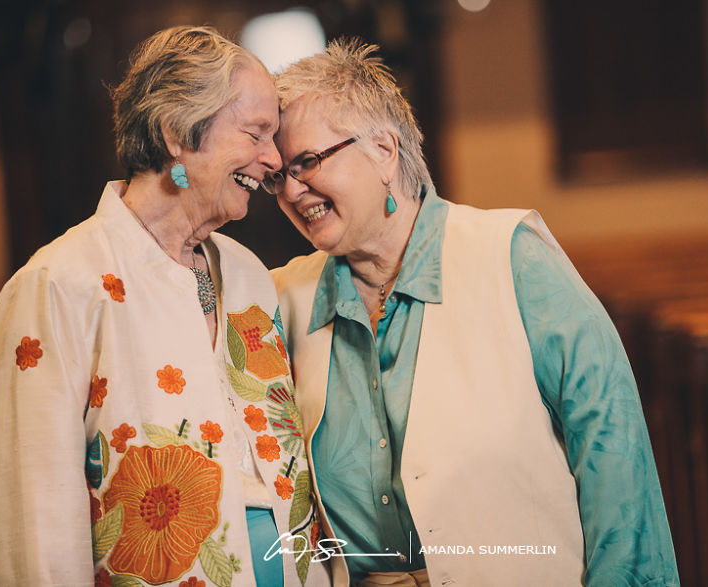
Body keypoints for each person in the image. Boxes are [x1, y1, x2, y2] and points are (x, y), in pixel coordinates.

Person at [267, 39, 680, 586]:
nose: (292, 191)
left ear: (384, 150)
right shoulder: (282, 298)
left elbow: (614, 453)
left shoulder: (509, 256)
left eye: (308, 162)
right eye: (277, 175)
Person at [0, 26, 335, 587]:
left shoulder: (247, 273)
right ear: (176, 132)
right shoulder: (58, 284)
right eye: (256, 133)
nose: (274, 159)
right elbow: (34, 518)